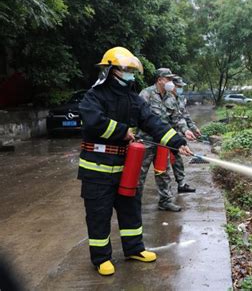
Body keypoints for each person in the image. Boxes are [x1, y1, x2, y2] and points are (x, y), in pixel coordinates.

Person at [78, 47, 192, 276]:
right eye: (126, 70)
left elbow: (151, 121)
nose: (130, 74)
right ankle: (101, 259)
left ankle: (134, 249)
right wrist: (122, 131)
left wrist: (176, 141)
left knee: (130, 208)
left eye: (132, 70)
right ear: (111, 70)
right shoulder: (94, 96)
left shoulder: (132, 98)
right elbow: (93, 122)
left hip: (126, 166)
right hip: (97, 167)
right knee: (99, 214)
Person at [136, 68, 196, 212]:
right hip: (146, 141)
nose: (171, 82)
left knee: (163, 172)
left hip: (163, 141)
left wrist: (185, 130)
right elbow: (137, 115)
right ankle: (133, 203)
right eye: (168, 79)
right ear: (160, 80)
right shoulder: (146, 94)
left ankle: (165, 201)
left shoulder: (170, 97)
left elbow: (177, 117)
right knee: (140, 172)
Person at [170, 76, 201, 193]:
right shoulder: (158, 97)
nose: (180, 89)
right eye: (178, 87)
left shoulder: (179, 99)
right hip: (159, 135)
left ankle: (181, 184)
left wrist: (192, 128)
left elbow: (184, 116)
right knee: (160, 165)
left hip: (174, 135)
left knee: (177, 159)